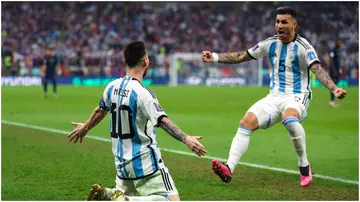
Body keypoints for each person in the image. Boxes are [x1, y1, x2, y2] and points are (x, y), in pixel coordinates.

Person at [201, 6, 347, 187]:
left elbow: (317, 69)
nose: (279, 25)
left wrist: (334, 89)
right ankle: (228, 168)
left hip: (297, 96)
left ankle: (303, 164)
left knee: (289, 118)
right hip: (273, 97)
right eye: (277, 21)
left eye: (284, 22)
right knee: (245, 123)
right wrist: (214, 57)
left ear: (294, 25)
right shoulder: (269, 43)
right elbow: (242, 56)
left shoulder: (304, 47)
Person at [68, 41, 207, 201]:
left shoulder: (112, 86)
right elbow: (162, 121)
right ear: (146, 62)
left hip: (121, 165)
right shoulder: (143, 93)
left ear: (125, 62)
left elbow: (100, 110)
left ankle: (111, 195)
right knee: (171, 200)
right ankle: (125, 199)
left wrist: (85, 127)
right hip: (146, 164)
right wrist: (186, 138)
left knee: (119, 195)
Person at [328, 39, 342, 108]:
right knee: (333, 86)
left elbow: (338, 62)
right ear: (336, 43)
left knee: (335, 85)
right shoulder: (333, 51)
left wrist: (339, 70)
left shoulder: (338, 51)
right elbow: (331, 61)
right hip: (334, 72)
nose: (340, 44)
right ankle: (332, 102)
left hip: (337, 71)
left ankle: (332, 101)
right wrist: (334, 71)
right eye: (338, 42)